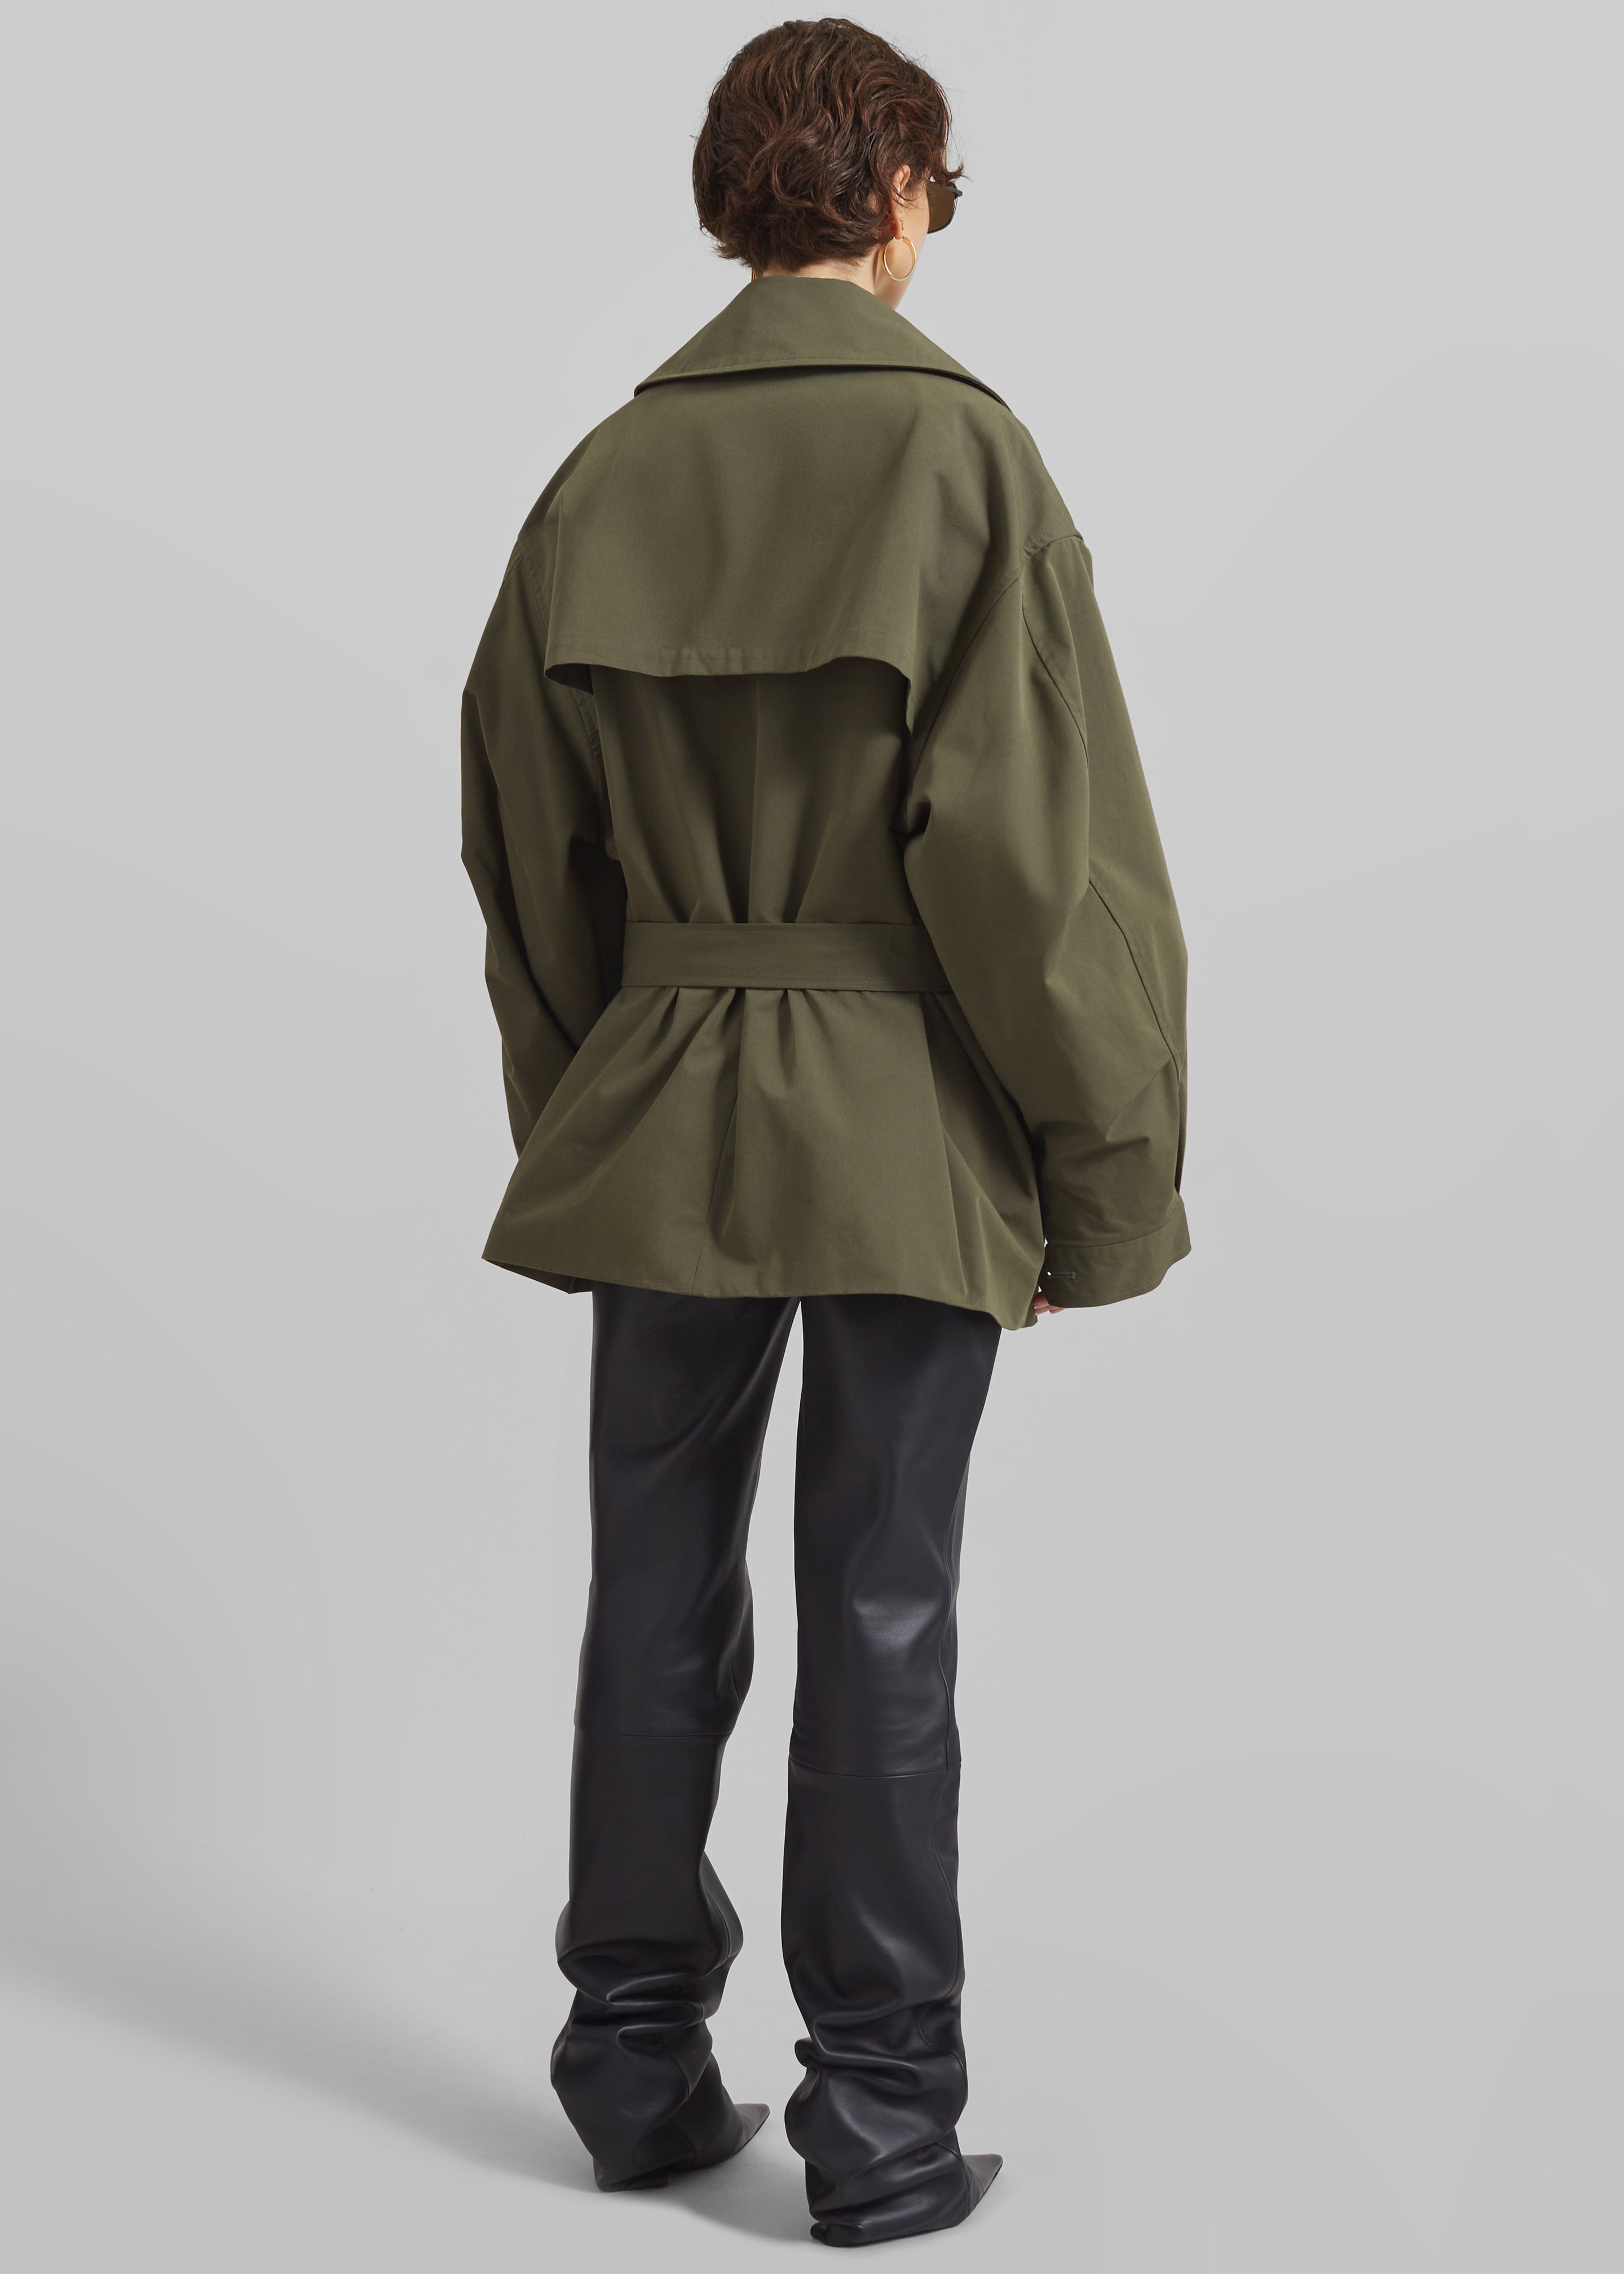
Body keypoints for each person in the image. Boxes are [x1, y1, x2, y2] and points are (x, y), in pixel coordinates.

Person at [460, 15, 1189, 2249]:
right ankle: (878, 2127)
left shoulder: (599, 480)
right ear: (896, 198)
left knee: (649, 1587)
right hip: (904, 1123)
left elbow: (526, 847)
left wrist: (599, 1100)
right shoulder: (965, 462)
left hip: (662, 1103)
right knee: (883, 1606)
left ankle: (630, 2069)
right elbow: (1039, 872)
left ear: (730, 202)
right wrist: (1100, 1179)